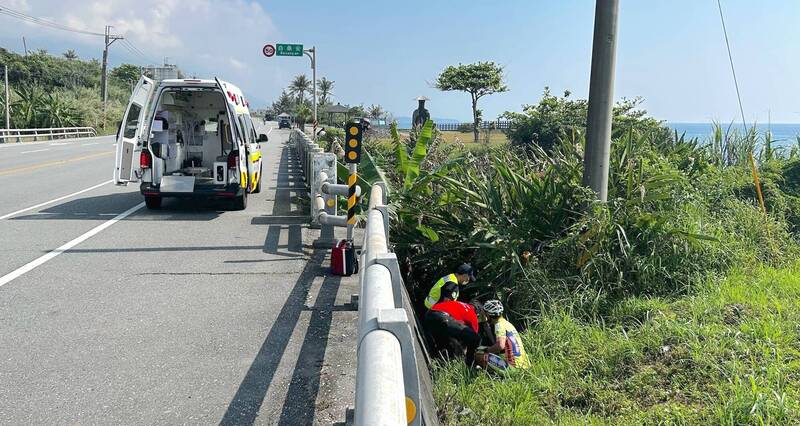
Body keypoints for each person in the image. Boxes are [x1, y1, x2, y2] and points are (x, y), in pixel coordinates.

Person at [424, 283, 480, 364]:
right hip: (442, 318)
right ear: (477, 313)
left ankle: (438, 359)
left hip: (430, 314)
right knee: (475, 338)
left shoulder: (459, 303)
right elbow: (473, 336)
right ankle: (469, 366)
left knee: (450, 340)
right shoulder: (472, 314)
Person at [475, 300, 529, 372]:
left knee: (479, 354)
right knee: (490, 350)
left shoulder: (499, 326)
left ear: (488, 314)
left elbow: (500, 346)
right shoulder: (506, 323)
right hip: (524, 365)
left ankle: (489, 374)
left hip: (513, 368)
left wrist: (486, 350)